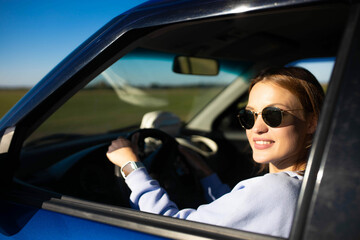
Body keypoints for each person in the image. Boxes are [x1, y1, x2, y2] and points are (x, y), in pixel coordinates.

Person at [106, 66, 325, 238]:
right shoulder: (305, 185)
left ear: (312, 122)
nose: (256, 128)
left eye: (274, 115)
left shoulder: (277, 190)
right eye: (249, 116)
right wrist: (207, 176)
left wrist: (131, 167)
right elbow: (239, 220)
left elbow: (170, 228)